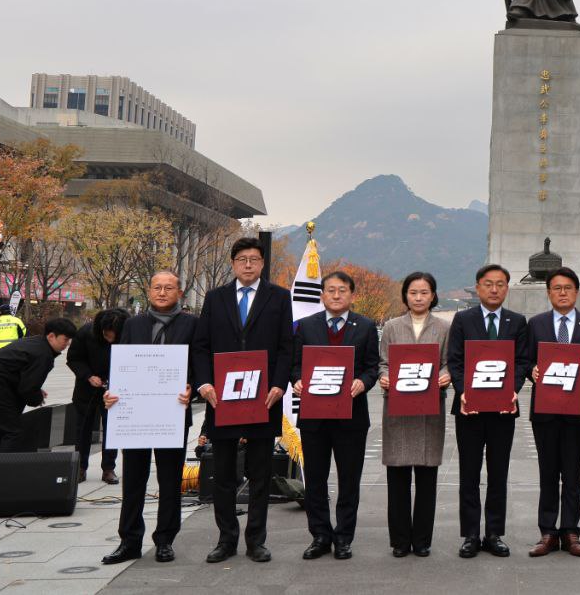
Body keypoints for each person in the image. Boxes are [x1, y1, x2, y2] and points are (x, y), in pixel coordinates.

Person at [192, 237, 294, 564]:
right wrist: (204, 383)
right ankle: (226, 539)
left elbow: (285, 346)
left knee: (261, 474)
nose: (248, 264)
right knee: (222, 474)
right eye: (242, 259)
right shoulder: (215, 298)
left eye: (254, 259)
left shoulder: (278, 297)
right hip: (222, 398)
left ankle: (256, 541)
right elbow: (202, 346)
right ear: (233, 264)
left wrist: (279, 384)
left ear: (263, 264)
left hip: (263, 397)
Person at [102, 272, 197, 565]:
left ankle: (165, 540)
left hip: (173, 414)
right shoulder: (133, 324)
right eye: (157, 287)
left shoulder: (192, 324)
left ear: (179, 292)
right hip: (136, 416)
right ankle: (129, 541)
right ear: (149, 290)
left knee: (170, 481)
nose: (162, 292)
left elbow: (199, 362)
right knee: (133, 480)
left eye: (169, 287)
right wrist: (111, 391)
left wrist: (192, 388)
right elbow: (121, 364)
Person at [291, 271, 381, 561]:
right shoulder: (305, 326)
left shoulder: (366, 327)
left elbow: (372, 367)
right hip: (314, 417)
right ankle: (319, 535)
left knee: (349, 479)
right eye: (330, 290)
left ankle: (344, 537)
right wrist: (296, 381)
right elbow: (294, 364)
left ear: (352, 295)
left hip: (351, 416)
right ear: (322, 295)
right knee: (315, 479)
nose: (336, 295)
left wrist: (363, 383)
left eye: (342, 290)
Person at [446, 264, 531, 559]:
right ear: (478, 287)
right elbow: (455, 360)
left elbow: (522, 361)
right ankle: (470, 534)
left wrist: (514, 389)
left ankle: (494, 533)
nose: (494, 289)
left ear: (507, 288)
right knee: (468, 473)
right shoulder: (462, 319)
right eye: (488, 284)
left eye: (500, 284)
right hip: (469, 409)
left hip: (503, 410)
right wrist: (462, 391)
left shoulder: (517, 322)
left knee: (498, 473)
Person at [525, 266, 580, 558]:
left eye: (568, 287)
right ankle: (547, 532)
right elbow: (525, 360)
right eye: (557, 288)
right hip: (544, 411)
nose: (563, 293)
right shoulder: (536, 324)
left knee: (572, 472)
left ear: (576, 292)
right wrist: (531, 371)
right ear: (548, 292)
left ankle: (570, 532)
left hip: (576, 410)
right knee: (547, 472)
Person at [378, 272, 451, 557]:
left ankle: (421, 540)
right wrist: (384, 377)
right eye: (413, 292)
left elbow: (448, 363)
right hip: (398, 410)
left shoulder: (444, 328)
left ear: (433, 295)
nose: (418, 297)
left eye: (424, 292)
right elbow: (383, 362)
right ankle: (399, 540)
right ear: (405, 296)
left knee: (426, 478)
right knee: (397, 478)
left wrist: (445, 376)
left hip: (429, 410)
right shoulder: (393, 327)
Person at [0, 316, 76, 452]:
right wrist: (37, 397)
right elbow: (28, 389)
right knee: (13, 432)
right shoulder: (43, 354)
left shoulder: (36, 343)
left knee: (0, 431)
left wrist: (35, 390)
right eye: (65, 339)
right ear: (51, 336)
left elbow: (23, 377)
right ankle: (2, 471)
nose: (67, 344)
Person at [68, 308, 128, 483]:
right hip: (87, 388)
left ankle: (108, 468)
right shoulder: (86, 333)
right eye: (107, 336)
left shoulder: (127, 335)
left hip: (114, 390)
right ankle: (80, 467)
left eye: (114, 337)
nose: (110, 340)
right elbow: (73, 358)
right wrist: (88, 375)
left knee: (112, 429)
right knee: (82, 429)